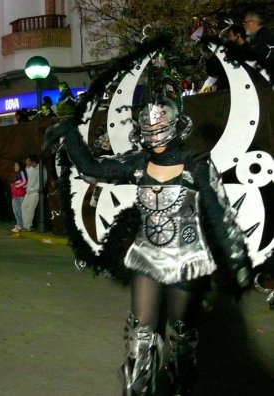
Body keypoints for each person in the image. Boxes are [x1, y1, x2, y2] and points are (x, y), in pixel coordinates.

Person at [48, 96, 251, 395]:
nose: (154, 135)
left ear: (175, 126)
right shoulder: (138, 163)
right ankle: (137, 390)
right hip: (146, 256)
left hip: (186, 260)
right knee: (140, 333)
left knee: (181, 335)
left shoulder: (197, 164)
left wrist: (238, 260)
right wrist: (69, 133)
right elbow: (92, 167)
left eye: (160, 126)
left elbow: (220, 213)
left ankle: (181, 386)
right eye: (149, 128)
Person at [20, 154, 40, 232]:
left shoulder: (40, 169)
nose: (29, 164)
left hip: (35, 193)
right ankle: (26, 225)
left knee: (30, 209)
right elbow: (29, 178)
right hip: (28, 192)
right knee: (23, 207)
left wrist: (33, 189)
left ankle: (27, 226)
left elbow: (40, 182)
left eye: (30, 162)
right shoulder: (31, 168)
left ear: (34, 162)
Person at [10, 160, 27, 232]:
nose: (14, 167)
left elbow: (24, 181)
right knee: (16, 211)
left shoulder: (22, 172)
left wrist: (16, 186)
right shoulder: (16, 174)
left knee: (20, 211)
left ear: (20, 167)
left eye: (16, 166)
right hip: (15, 195)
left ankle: (22, 225)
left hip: (20, 194)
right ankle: (19, 224)